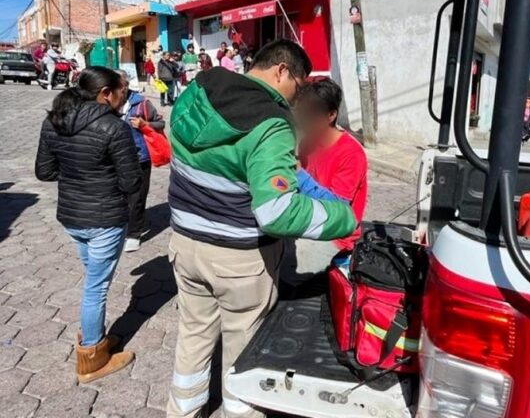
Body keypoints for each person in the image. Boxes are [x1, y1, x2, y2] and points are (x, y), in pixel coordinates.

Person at [166, 39, 356, 418]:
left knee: (193, 334)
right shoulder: (273, 122)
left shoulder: (200, 88)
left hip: (184, 243)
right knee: (244, 351)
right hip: (238, 260)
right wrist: (343, 219)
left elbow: (220, 161)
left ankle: (181, 411)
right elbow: (277, 212)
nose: (295, 100)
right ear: (282, 71)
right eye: (298, 88)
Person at [34, 66, 141, 383]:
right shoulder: (113, 128)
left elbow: (45, 171)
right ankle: (91, 358)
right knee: (96, 288)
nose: (126, 95)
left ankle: (97, 335)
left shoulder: (54, 120)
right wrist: (99, 181)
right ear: (105, 93)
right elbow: (132, 182)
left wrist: (77, 178)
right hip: (104, 220)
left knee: (95, 281)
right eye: (122, 89)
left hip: (72, 218)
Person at [280, 78, 368, 288]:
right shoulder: (308, 143)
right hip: (304, 221)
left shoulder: (351, 153)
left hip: (335, 235)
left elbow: (338, 207)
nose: (303, 121)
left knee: (285, 271)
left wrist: (299, 174)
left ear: (331, 115)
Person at [115, 70, 166, 252]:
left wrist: (146, 124)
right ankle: (120, 227)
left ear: (126, 85)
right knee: (119, 196)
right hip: (114, 158)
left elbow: (160, 123)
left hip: (139, 158)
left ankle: (134, 233)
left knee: (137, 198)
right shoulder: (105, 103)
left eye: (120, 85)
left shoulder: (141, 103)